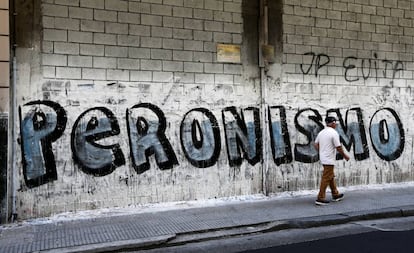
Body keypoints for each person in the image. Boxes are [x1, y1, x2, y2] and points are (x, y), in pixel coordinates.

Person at [314, 116, 350, 206]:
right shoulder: (334, 133)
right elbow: (338, 147)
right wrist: (345, 156)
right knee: (326, 177)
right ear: (333, 123)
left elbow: (315, 144)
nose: (336, 124)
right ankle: (320, 198)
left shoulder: (321, 132)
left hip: (323, 158)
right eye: (335, 123)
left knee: (330, 176)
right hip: (329, 159)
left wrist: (321, 151)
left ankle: (335, 194)